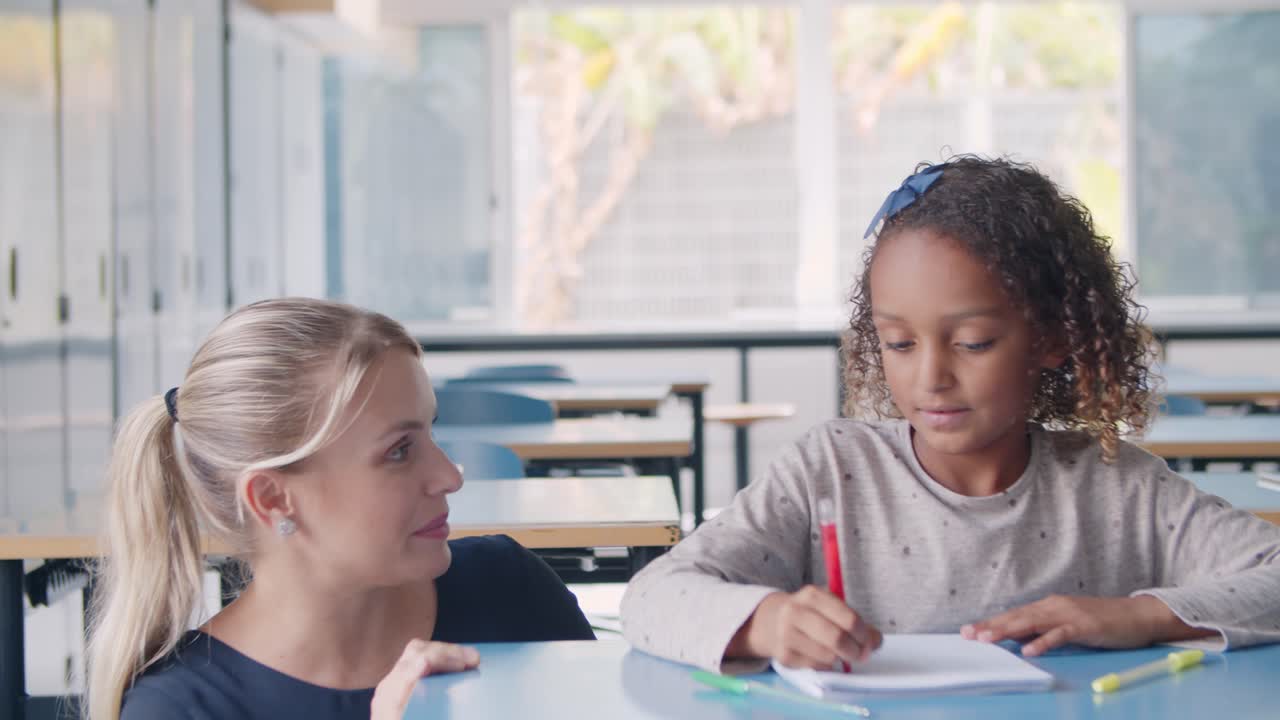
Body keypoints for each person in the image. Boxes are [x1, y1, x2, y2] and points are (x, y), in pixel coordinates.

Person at [620, 156, 1280, 672]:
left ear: (1051, 338)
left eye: (974, 343)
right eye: (899, 344)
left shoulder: (1119, 490)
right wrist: (764, 621)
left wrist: (1141, 617)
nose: (931, 378)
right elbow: (652, 596)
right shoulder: (830, 472)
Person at [85, 298, 594, 720]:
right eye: (399, 451)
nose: (450, 475)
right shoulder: (182, 708)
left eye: (430, 432)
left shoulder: (510, 589)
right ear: (272, 499)